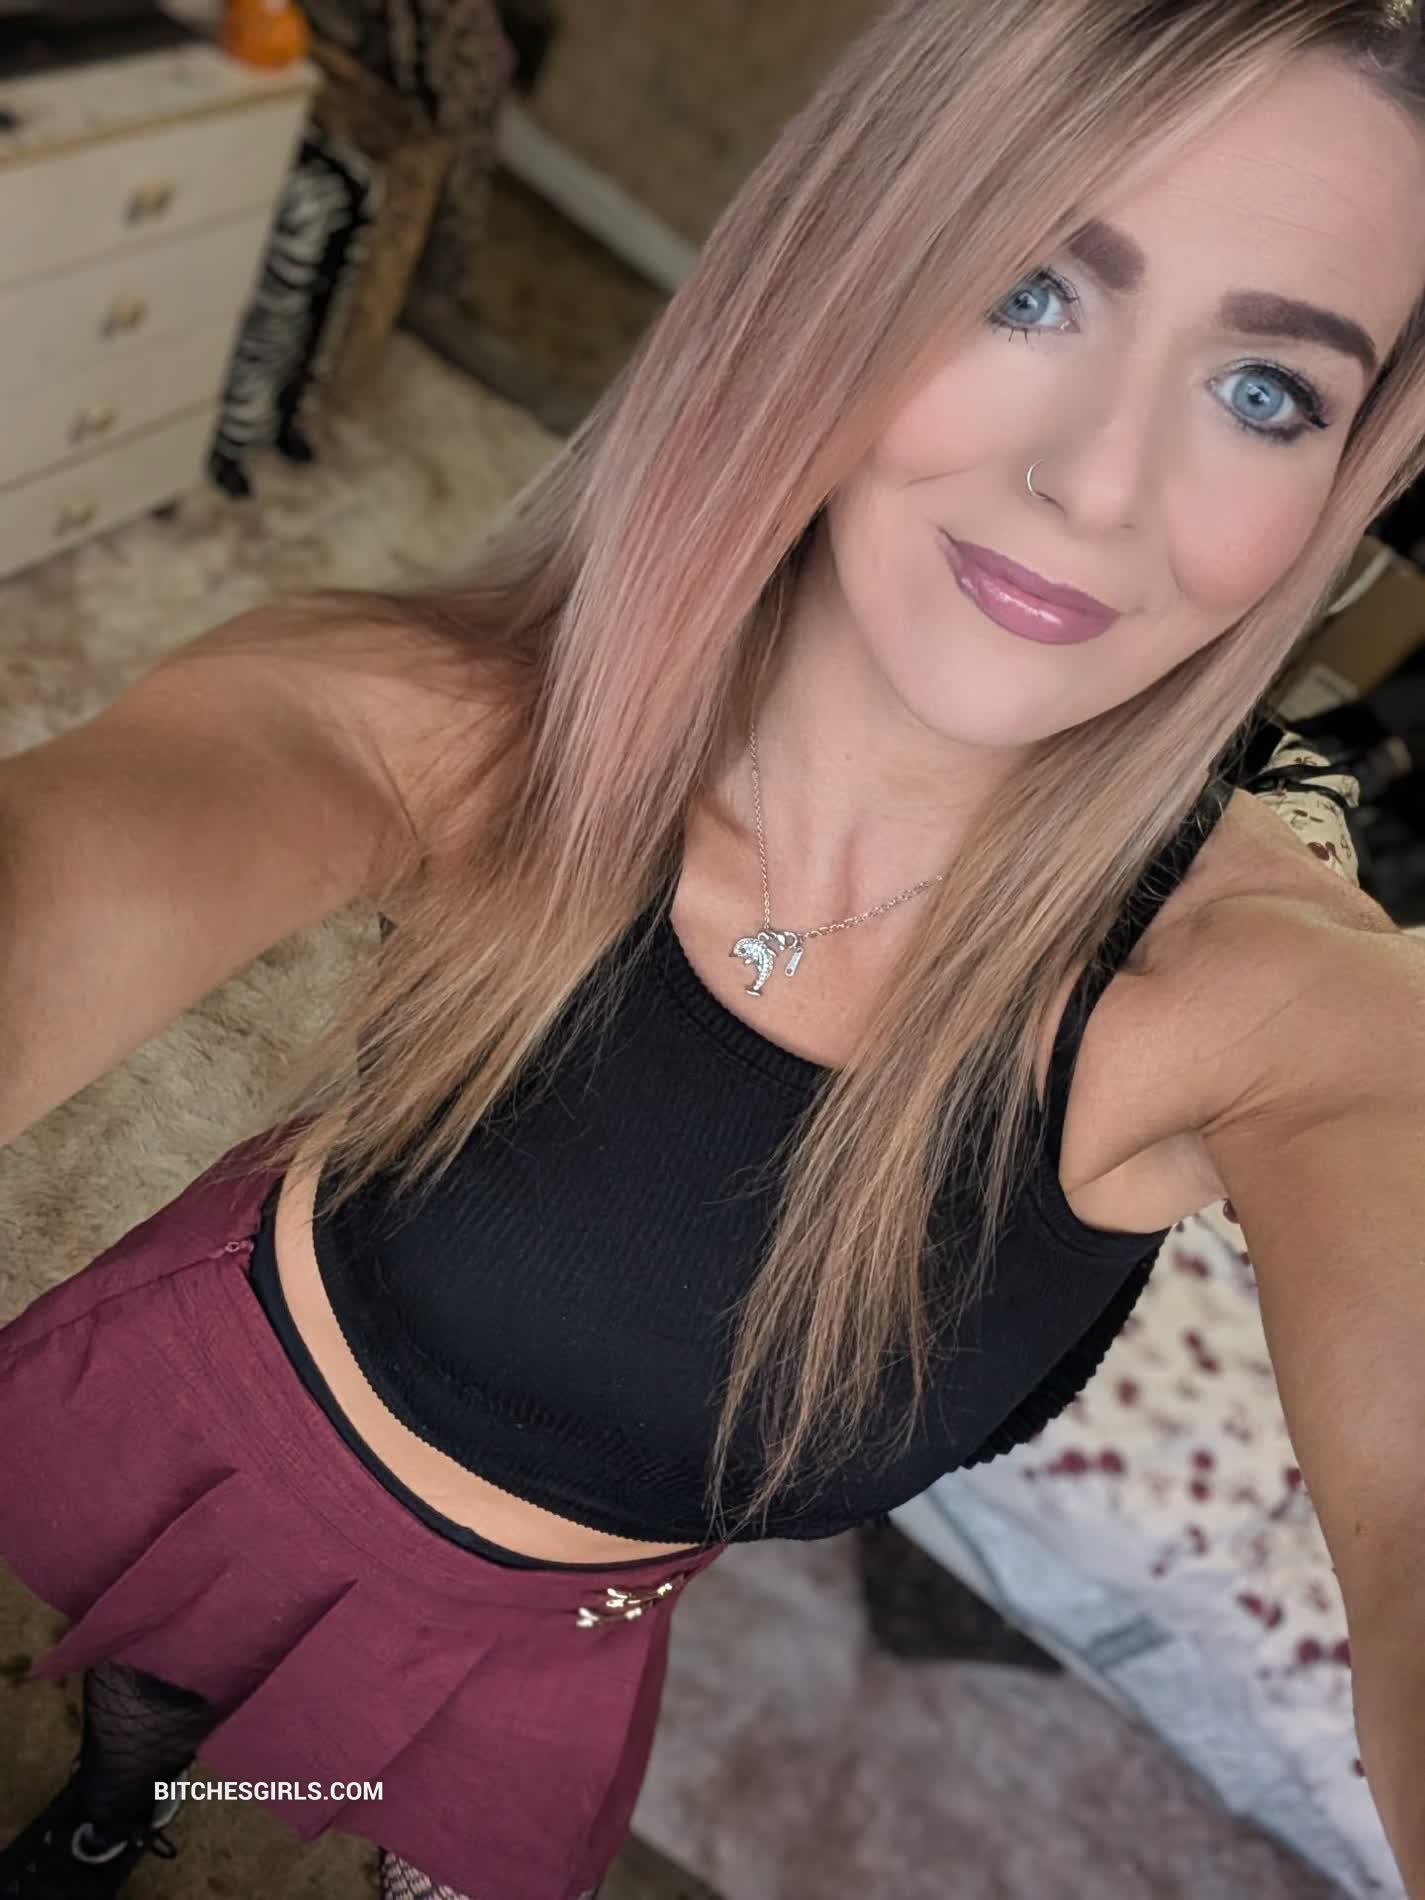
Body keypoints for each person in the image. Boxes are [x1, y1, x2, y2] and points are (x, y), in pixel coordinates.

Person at [4, 1, 1425, 1895]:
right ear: (844, 264)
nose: (1100, 484)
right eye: (1025, 290)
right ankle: (112, 1802)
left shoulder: (1271, 1010)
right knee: (152, 1688)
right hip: (247, 1409)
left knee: (303, 1778)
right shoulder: (452, 727)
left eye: (1264, 392)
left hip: (551, 1624)